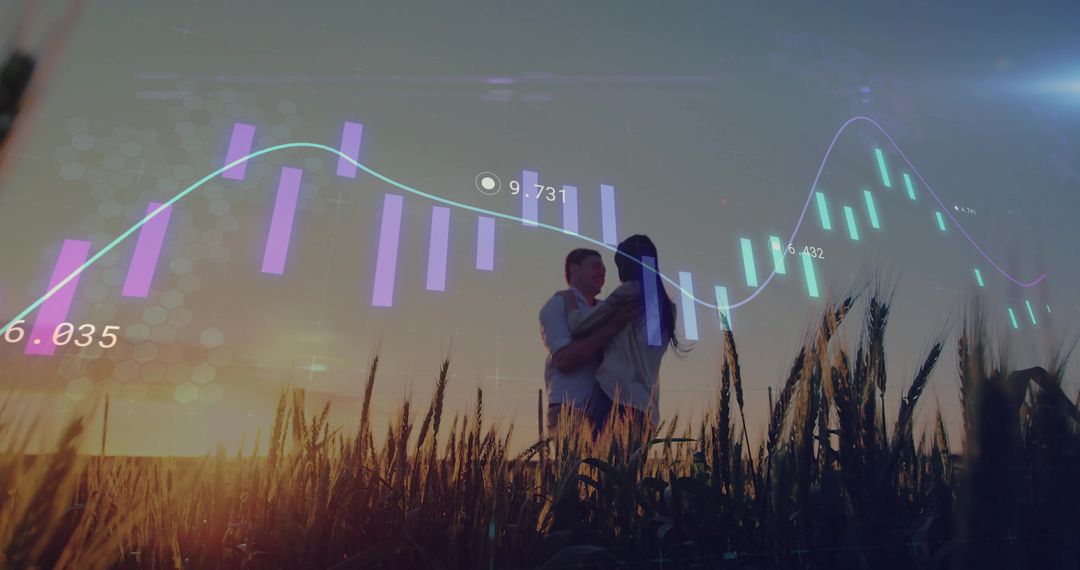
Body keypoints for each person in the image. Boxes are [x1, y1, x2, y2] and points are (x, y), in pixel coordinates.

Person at [566, 235, 690, 434]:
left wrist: (572, 297)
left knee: (597, 452)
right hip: (646, 406)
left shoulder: (629, 291)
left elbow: (579, 325)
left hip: (613, 396)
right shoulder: (669, 309)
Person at [538, 248, 632, 434]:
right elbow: (564, 360)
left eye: (604, 270)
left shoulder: (605, 309)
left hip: (605, 412)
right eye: (595, 266)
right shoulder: (558, 304)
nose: (602, 272)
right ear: (574, 269)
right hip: (570, 409)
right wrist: (612, 328)